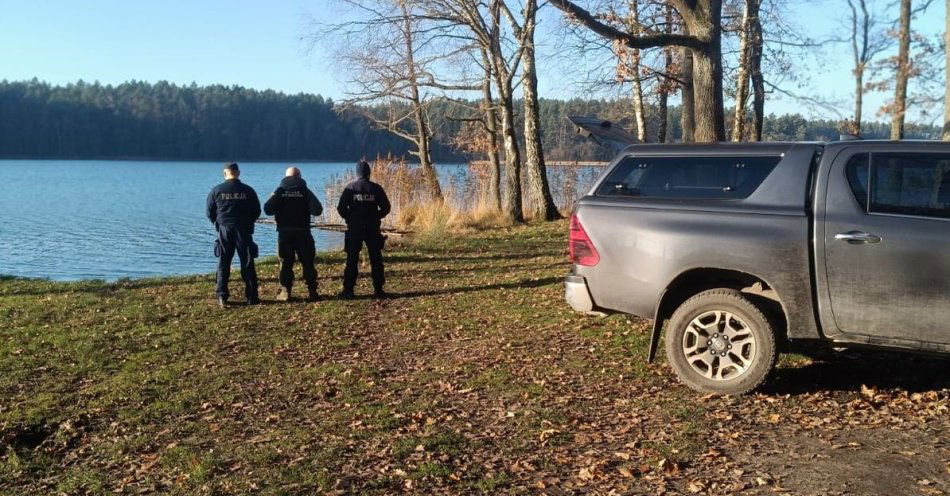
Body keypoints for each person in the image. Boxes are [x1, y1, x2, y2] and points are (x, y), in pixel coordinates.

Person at [263, 166, 323, 302]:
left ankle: (285, 292)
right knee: (308, 263)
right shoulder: (305, 191)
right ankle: (312, 292)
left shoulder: (280, 191)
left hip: (284, 233)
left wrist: (275, 196)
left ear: (285, 177)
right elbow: (317, 210)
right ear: (299, 177)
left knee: (285, 263)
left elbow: (267, 209)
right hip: (303, 232)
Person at [206, 162, 261, 307]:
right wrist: (248, 222)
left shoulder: (216, 190)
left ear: (225, 173)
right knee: (247, 263)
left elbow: (209, 212)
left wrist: (218, 224)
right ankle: (251, 296)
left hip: (225, 229)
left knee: (223, 263)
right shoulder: (248, 190)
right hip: (244, 229)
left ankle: (222, 296)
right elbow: (256, 211)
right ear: (238, 173)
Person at [337, 160, 391, 299]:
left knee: (352, 258)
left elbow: (341, 208)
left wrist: (349, 218)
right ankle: (378, 289)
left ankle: (348, 290)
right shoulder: (375, 188)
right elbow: (386, 207)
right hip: (372, 228)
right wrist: (376, 216)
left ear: (357, 173)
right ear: (369, 173)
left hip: (355, 228)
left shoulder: (351, 187)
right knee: (376, 258)